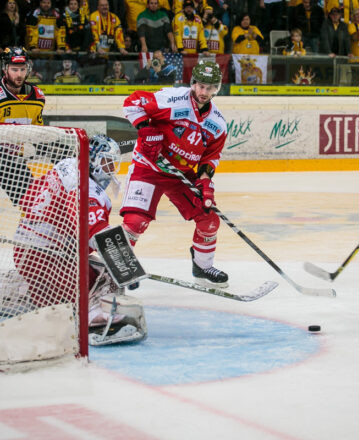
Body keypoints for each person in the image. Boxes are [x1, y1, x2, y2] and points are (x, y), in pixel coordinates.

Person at [12, 134, 147, 344]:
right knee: (108, 278)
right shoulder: (85, 187)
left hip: (29, 251)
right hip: (45, 258)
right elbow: (96, 233)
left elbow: (29, 199)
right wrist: (126, 267)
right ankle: (94, 321)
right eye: (106, 162)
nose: (110, 169)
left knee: (97, 267)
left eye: (112, 164)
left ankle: (32, 289)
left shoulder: (66, 167)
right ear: (92, 158)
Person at [120, 60, 228, 287]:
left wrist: (205, 182)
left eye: (209, 88)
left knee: (209, 219)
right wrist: (145, 129)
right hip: (148, 167)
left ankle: (202, 266)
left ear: (216, 89)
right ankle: (121, 266)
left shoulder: (217, 124)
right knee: (135, 221)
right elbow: (132, 103)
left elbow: (210, 157)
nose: (204, 92)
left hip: (181, 175)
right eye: (200, 86)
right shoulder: (171, 99)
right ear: (193, 84)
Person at [0, 47, 46, 207]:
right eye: (14, 69)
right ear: (5, 69)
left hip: (11, 161)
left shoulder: (37, 96)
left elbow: (38, 132)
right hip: (5, 159)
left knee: (32, 201)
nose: (19, 74)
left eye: (22, 69)